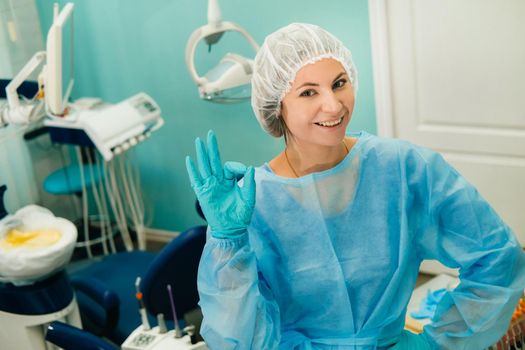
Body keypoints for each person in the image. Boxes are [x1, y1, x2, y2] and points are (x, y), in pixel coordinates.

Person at [185, 23, 525, 350]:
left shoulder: (405, 170)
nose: (333, 105)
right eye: (308, 92)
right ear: (277, 105)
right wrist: (228, 241)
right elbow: (238, 340)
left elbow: (498, 258)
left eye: (339, 83)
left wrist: (439, 343)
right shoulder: (254, 202)